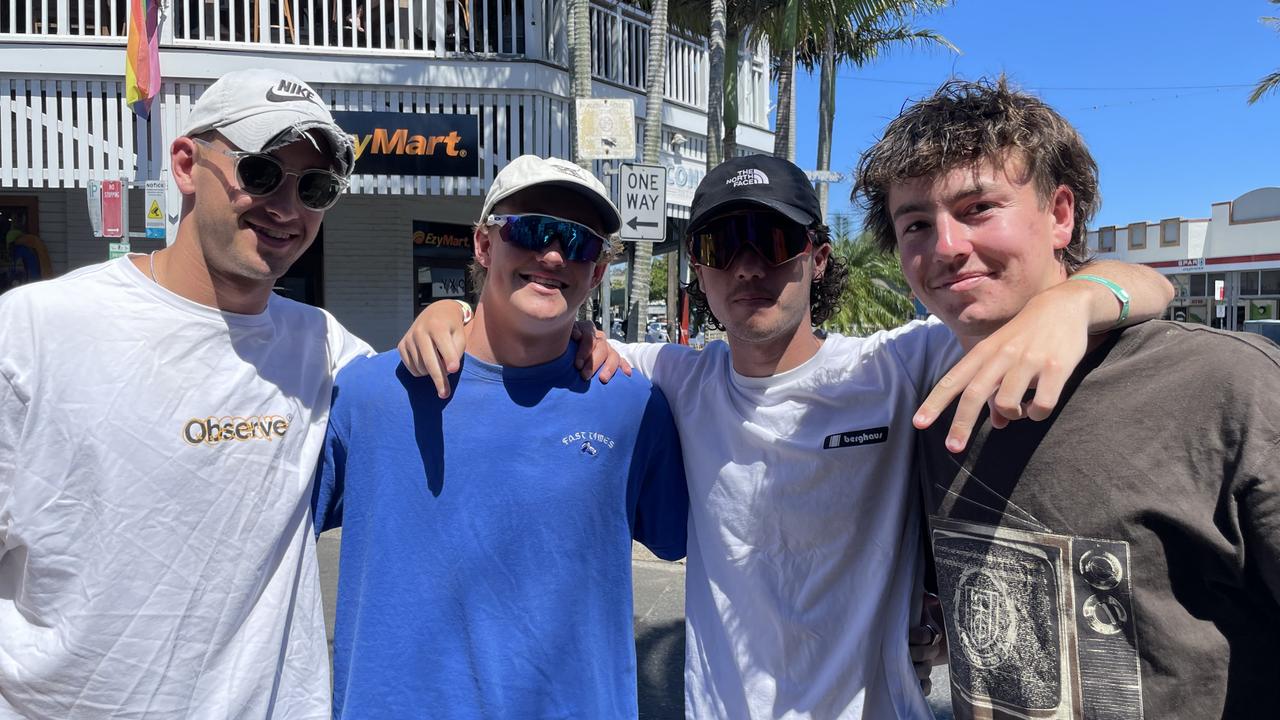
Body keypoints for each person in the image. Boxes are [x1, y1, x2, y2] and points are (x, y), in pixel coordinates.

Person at [402, 152, 1173, 718]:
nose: (746, 268)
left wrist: (1070, 305)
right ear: (697, 273)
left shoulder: (898, 365)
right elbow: (539, 327)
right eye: (718, 246)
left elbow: (1150, 287)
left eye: (769, 242)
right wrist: (453, 313)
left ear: (816, 256)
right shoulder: (672, 377)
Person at [856, 76, 1280, 720]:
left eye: (978, 208)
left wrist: (1084, 296)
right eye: (916, 222)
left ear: (1060, 215)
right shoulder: (929, 402)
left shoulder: (1224, 384)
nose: (946, 247)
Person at [0, 68, 365, 717]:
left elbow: (478, 382)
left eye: (314, 187)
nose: (286, 208)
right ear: (187, 163)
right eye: (259, 173)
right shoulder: (33, 331)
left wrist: (452, 317)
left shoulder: (325, 348)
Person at [312, 154, 689, 718]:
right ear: (484, 246)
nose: (554, 253)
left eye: (578, 242)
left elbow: (708, 544)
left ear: (599, 271)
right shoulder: (370, 396)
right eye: (531, 230)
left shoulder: (631, 405)